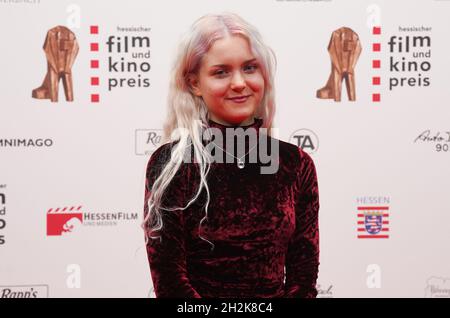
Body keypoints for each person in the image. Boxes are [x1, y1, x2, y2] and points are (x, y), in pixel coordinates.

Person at [142, 12, 320, 298]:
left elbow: (303, 277)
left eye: (250, 68)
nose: (239, 83)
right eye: (221, 72)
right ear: (194, 84)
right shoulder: (171, 164)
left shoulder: (296, 164)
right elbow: (171, 283)